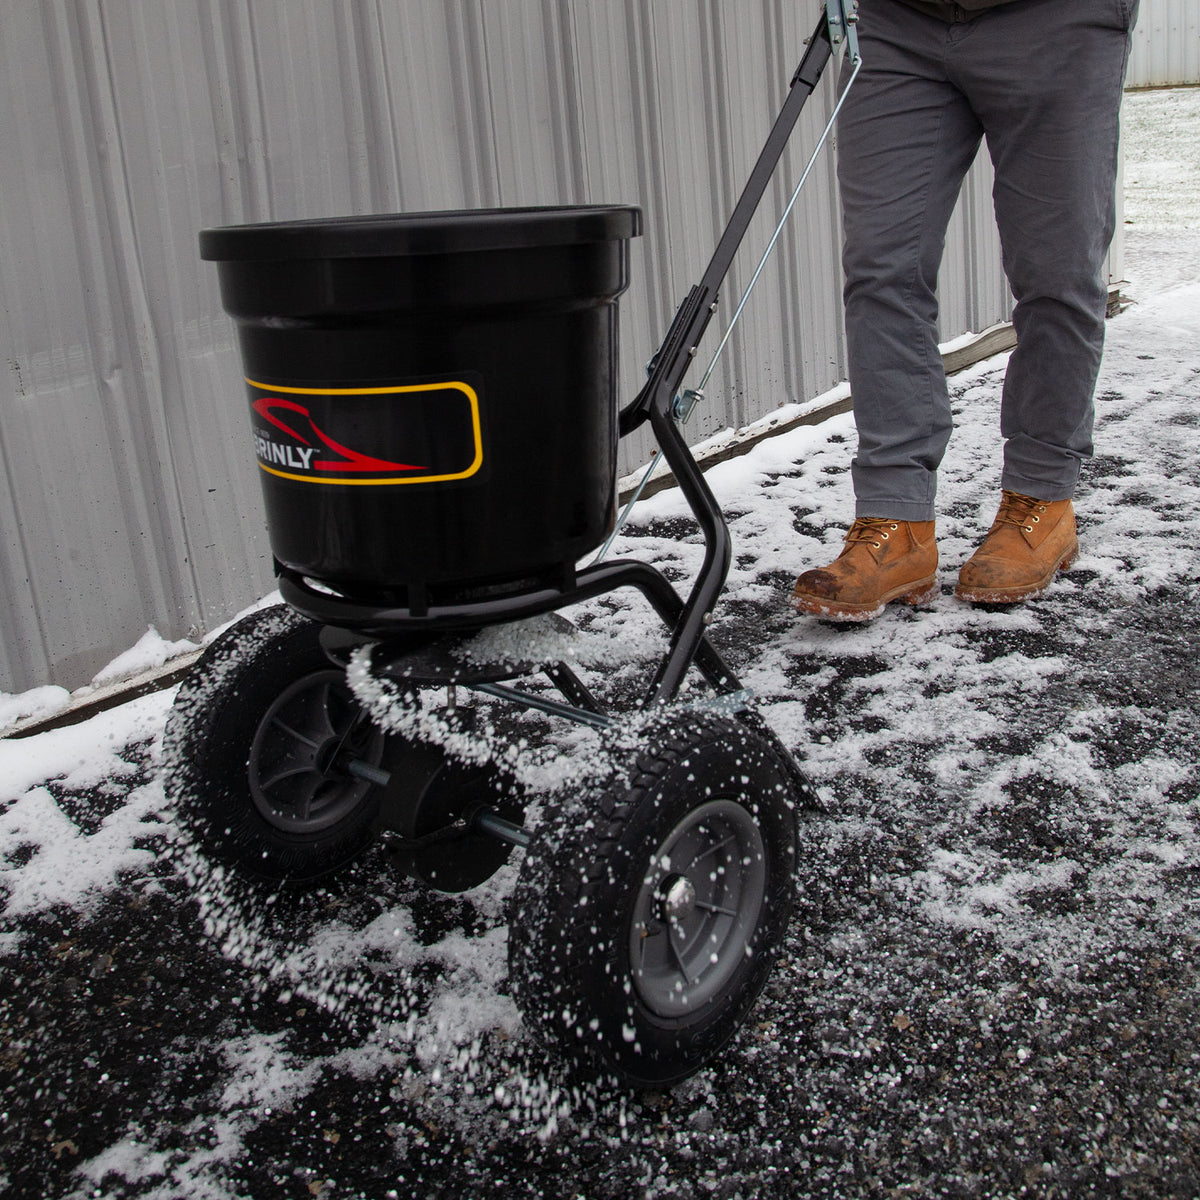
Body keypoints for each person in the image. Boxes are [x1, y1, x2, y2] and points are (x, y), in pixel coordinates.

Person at [790, 0, 1141, 622]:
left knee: (1056, 272)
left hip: (1056, 20)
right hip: (901, 22)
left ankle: (1041, 499)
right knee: (881, 271)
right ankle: (895, 517)